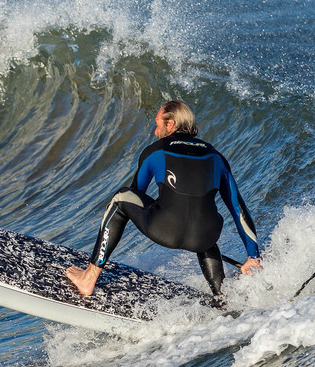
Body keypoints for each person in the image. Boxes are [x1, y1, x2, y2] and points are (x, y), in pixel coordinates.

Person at [64, 100, 261, 303]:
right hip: (202, 238)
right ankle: (221, 299)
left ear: (170, 124)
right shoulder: (216, 156)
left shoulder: (156, 150)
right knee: (204, 223)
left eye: (158, 123)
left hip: (165, 229)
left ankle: (89, 277)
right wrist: (252, 256)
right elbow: (239, 211)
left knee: (120, 198)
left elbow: (135, 194)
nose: (155, 130)